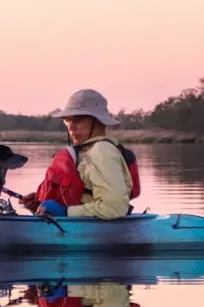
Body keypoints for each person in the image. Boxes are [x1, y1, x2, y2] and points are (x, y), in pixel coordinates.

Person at [19, 89, 134, 220]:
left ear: (97, 121)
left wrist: (66, 212)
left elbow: (115, 207)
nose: (71, 127)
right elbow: (86, 194)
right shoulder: (88, 150)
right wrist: (40, 201)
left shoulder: (102, 150)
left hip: (97, 235)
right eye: (67, 120)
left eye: (78, 120)